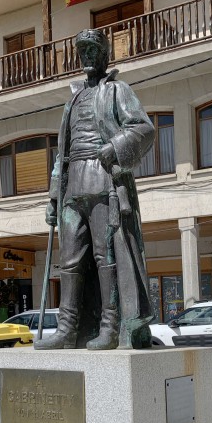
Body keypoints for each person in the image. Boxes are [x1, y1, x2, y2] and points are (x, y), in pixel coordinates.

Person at [35, 28, 155, 351]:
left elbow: (144, 128)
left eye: (93, 51)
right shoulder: (72, 99)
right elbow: (62, 152)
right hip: (73, 185)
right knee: (71, 261)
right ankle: (67, 328)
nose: (87, 57)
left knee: (106, 257)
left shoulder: (118, 91)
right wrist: (53, 197)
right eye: (83, 52)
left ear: (104, 56)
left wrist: (116, 146)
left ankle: (110, 327)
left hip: (104, 182)